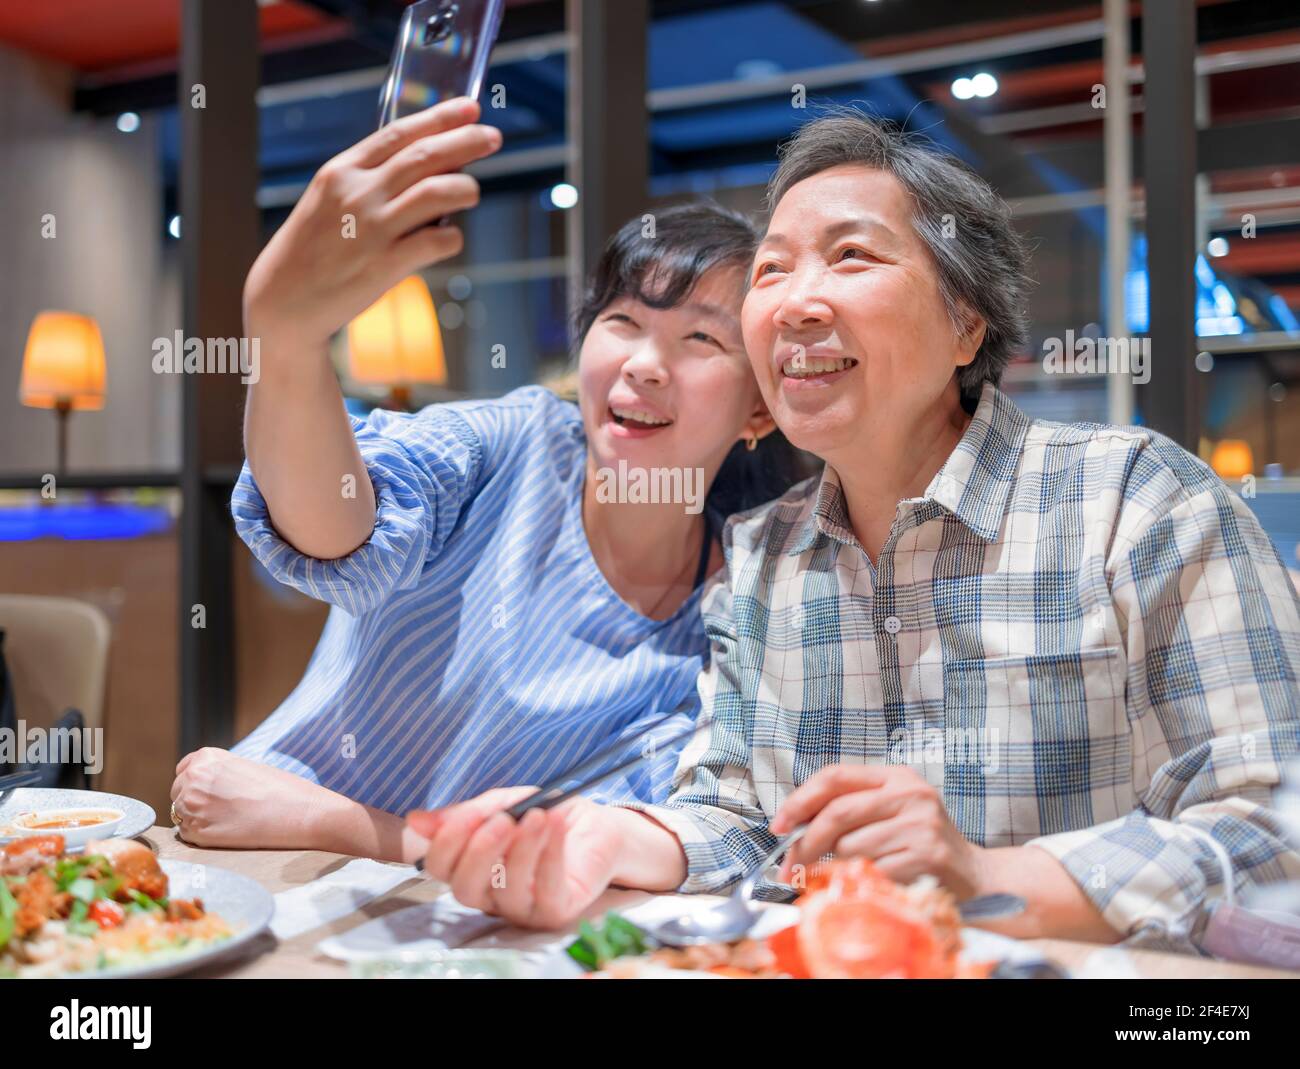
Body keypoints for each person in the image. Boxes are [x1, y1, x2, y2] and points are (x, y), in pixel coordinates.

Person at [418, 107, 1300, 952]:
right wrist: (602, 835)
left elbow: (1273, 831)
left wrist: (988, 875)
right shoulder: (762, 554)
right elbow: (734, 818)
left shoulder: (1136, 503)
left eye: (850, 257)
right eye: (771, 270)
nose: (797, 303)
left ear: (965, 323)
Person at [169, 97, 808, 862]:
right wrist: (288, 337)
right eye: (622, 322)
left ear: (759, 413)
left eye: (700, 337)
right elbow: (332, 529)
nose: (643, 362)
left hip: (480, 935)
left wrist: (339, 821)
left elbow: (590, 853)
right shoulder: (512, 443)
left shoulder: (730, 614)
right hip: (263, 869)